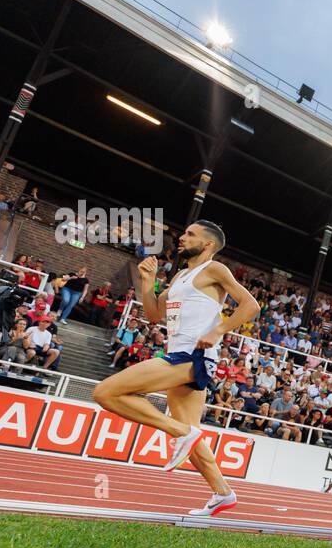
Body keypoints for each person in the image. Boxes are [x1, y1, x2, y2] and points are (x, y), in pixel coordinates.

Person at [92, 221, 260, 516]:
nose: (182, 238)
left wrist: (218, 331)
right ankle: (223, 492)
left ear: (208, 244)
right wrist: (147, 282)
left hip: (191, 357)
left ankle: (180, 431)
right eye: (184, 233)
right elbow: (155, 314)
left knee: (106, 392)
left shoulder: (215, 270)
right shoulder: (181, 276)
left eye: (190, 235)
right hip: (178, 353)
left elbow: (251, 306)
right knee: (192, 437)